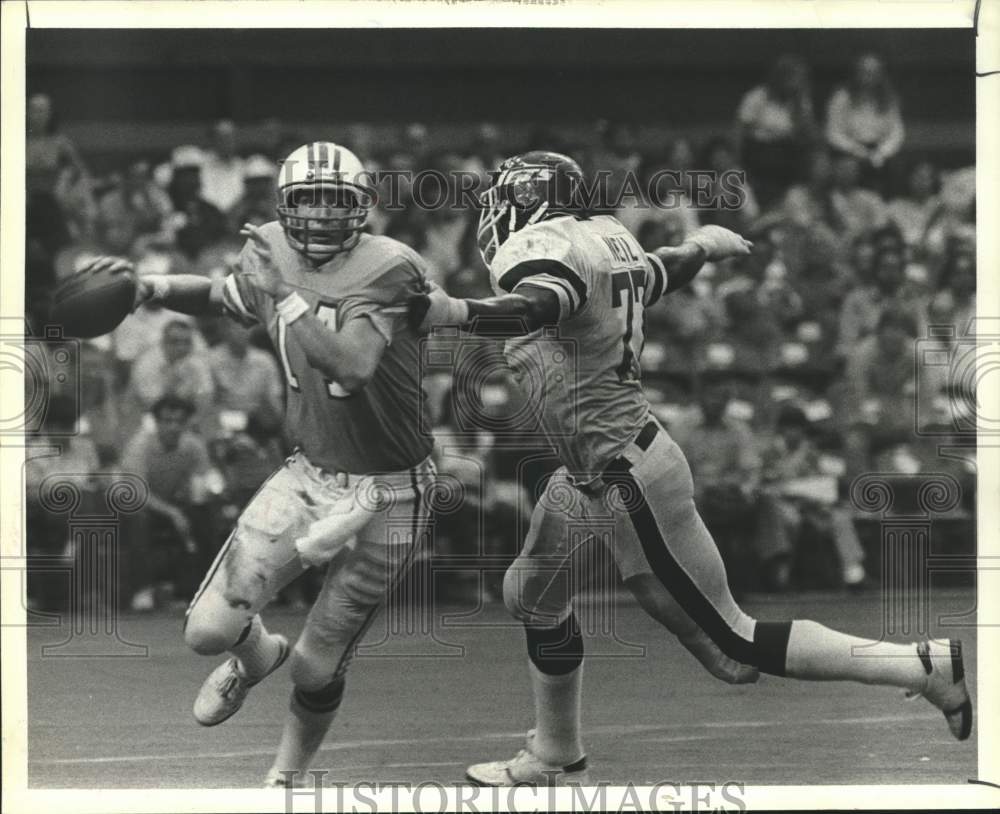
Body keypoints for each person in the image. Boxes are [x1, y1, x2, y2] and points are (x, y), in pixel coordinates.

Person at [410, 151, 971, 786]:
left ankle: (918, 665)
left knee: (735, 644)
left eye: (502, 203)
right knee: (532, 594)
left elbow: (540, 304)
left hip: (625, 475)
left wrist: (454, 311)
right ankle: (554, 751)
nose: (494, 216)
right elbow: (659, 270)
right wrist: (702, 242)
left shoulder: (546, 250)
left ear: (529, 203)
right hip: (593, 471)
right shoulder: (601, 238)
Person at [118, 141, 437, 786]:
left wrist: (284, 292)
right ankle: (256, 654)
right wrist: (148, 286)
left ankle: (284, 780)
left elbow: (351, 362)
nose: (320, 215)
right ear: (284, 207)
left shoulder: (390, 266)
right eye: (307, 200)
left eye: (335, 200)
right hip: (307, 473)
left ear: (362, 208)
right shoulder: (269, 249)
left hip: (389, 495)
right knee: (207, 631)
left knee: (319, 666)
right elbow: (221, 295)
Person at [120, 395, 214, 609]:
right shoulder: (139, 446)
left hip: (172, 504)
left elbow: (203, 480)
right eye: (167, 421)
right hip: (135, 504)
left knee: (205, 514)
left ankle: (196, 589)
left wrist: (198, 498)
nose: (173, 427)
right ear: (157, 422)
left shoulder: (194, 446)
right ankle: (142, 589)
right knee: (138, 518)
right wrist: (173, 513)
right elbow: (138, 493)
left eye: (179, 421)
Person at [825, 54, 905, 193]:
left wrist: (882, 153)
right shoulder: (842, 97)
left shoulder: (889, 99)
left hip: (879, 151)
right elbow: (833, 132)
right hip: (849, 150)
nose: (868, 76)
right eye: (864, 71)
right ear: (856, 73)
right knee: (848, 168)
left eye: (874, 72)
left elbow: (896, 132)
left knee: (896, 168)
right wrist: (857, 150)